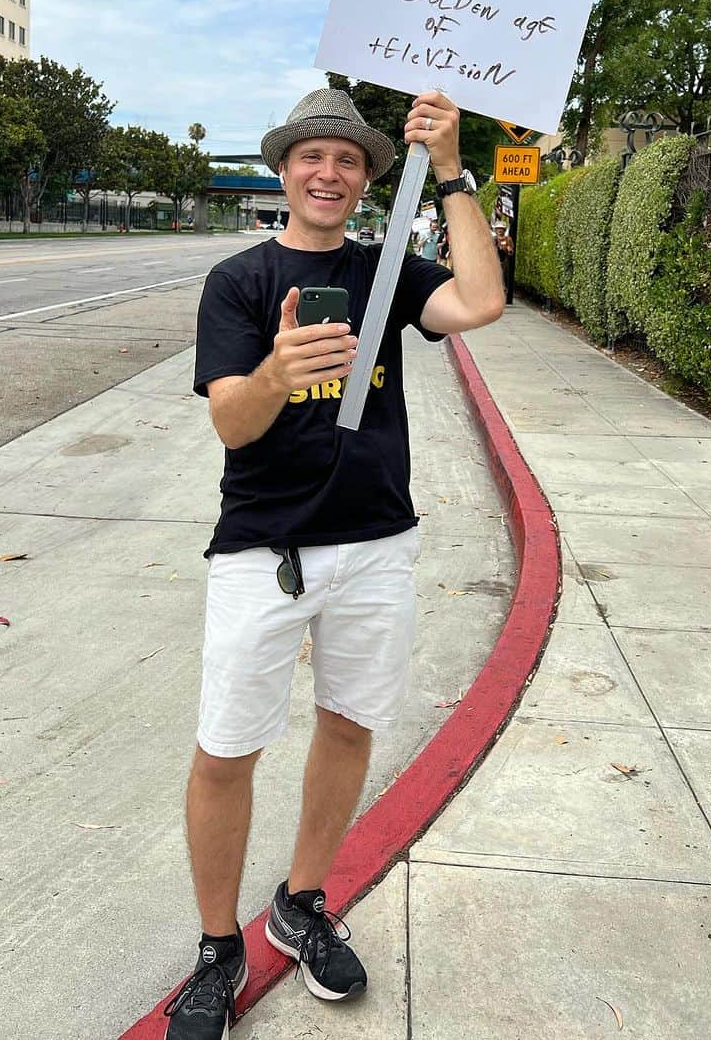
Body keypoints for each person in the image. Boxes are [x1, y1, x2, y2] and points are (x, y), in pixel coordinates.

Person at [164, 86, 504, 1040]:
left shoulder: (385, 268)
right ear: (284, 171)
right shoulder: (237, 280)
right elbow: (231, 422)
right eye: (313, 157)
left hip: (377, 546)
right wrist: (277, 369)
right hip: (263, 549)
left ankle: (301, 904)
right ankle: (217, 946)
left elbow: (481, 300)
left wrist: (450, 170)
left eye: (349, 160)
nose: (329, 173)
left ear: (364, 181)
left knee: (348, 728)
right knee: (228, 748)